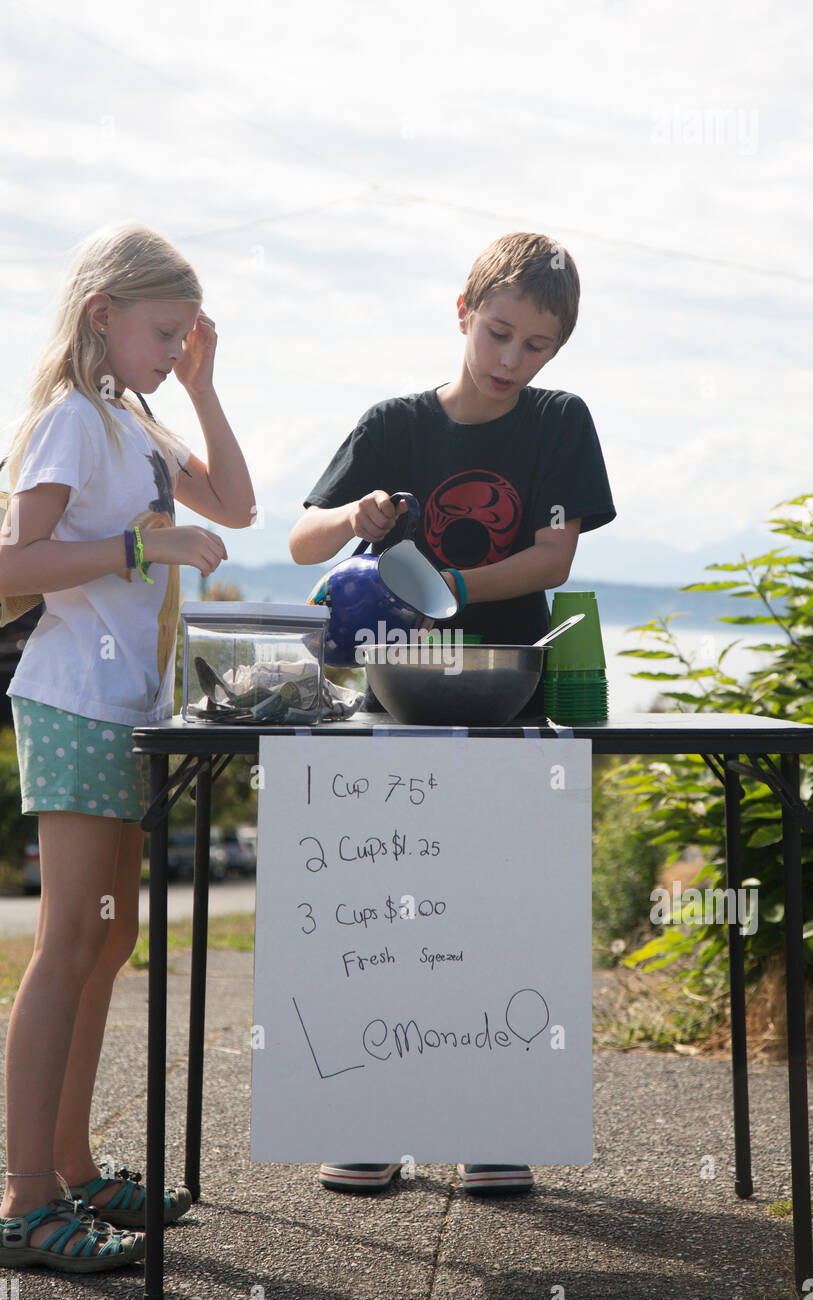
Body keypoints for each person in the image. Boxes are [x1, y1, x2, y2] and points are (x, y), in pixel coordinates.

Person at [289, 231, 615, 1197]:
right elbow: (305, 541)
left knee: (498, 911)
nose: (515, 361)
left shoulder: (561, 421)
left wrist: (443, 585)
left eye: (539, 345)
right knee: (393, 912)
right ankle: (374, 1120)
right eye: (501, 334)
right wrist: (359, 522)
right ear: (463, 310)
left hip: (509, 690)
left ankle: (490, 1121)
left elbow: (554, 562)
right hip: (396, 696)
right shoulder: (394, 424)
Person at [0, 223, 255, 1272]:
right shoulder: (67, 421)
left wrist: (201, 385)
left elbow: (235, 503)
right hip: (73, 702)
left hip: (125, 710)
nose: (172, 347)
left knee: (107, 941)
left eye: (185, 334)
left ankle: (69, 1165)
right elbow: (20, 561)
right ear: (104, 314)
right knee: (67, 945)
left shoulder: (133, 420)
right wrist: (146, 539)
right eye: (162, 332)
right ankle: (22, 1202)